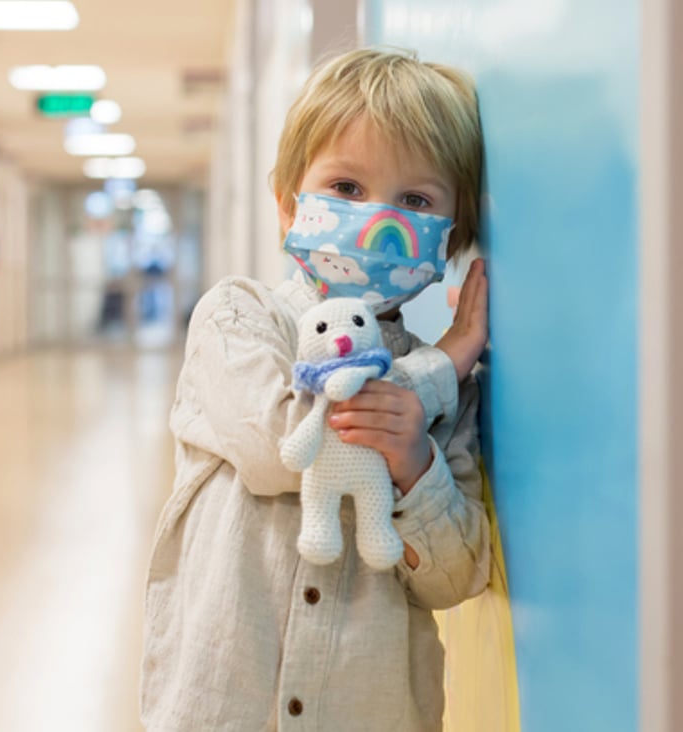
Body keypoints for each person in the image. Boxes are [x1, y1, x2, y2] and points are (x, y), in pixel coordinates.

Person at [140, 47, 491, 731]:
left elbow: (453, 577)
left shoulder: (455, 399)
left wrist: (416, 462)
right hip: (223, 706)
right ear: (287, 206)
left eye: (414, 200)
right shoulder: (236, 317)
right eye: (347, 188)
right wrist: (434, 372)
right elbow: (280, 451)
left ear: (449, 239)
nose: (374, 220)